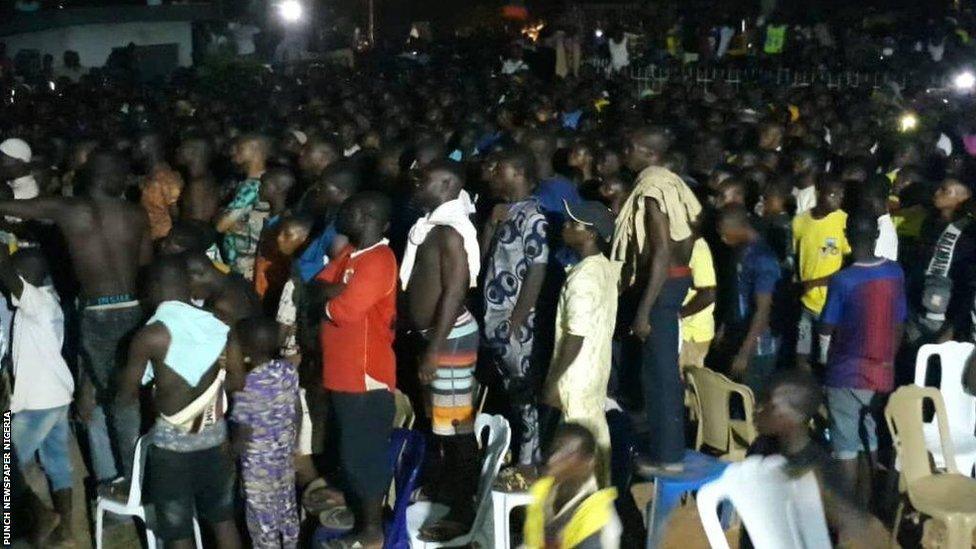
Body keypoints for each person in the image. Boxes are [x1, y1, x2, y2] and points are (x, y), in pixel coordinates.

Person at [0, 150, 152, 484]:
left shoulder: (68, 209)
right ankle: (120, 476)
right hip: (132, 309)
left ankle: (133, 483)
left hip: (96, 314)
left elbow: (12, 208)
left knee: (118, 404)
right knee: (119, 397)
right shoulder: (135, 213)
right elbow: (145, 268)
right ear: (110, 178)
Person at [114, 257, 241, 549]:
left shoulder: (151, 335)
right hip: (216, 440)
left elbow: (126, 395)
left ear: (154, 289)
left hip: (172, 451)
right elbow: (238, 382)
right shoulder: (219, 324)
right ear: (188, 286)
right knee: (223, 522)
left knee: (178, 532)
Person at [612, 126, 702, 473]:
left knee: (661, 374)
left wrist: (644, 310)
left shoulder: (652, 190)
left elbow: (662, 251)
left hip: (661, 285)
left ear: (649, 153)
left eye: (630, 146)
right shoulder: (673, 183)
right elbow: (688, 236)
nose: (625, 153)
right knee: (659, 371)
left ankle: (668, 458)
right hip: (673, 281)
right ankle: (666, 451)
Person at [400, 161, 480, 541]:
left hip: (448, 338)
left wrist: (434, 349)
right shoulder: (431, 227)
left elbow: (454, 292)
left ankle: (465, 510)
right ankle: (450, 489)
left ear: (448, 183)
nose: (416, 184)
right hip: (435, 336)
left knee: (456, 425)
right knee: (441, 419)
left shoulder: (449, 233)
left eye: (425, 179)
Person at [317, 192, 398, 549]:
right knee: (350, 452)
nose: (340, 216)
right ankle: (362, 518)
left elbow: (344, 311)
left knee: (362, 457)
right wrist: (334, 291)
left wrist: (333, 294)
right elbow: (316, 287)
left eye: (346, 211)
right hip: (342, 371)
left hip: (364, 373)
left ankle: (371, 532)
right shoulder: (353, 253)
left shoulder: (378, 259)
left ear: (364, 215)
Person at [819, 212, 906, 505]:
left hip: (845, 370)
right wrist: (889, 359)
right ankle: (869, 506)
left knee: (845, 445)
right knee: (869, 437)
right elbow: (899, 322)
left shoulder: (843, 279)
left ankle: (848, 513)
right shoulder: (895, 272)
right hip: (882, 370)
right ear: (877, 237)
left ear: (846, 235)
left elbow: (826, 326)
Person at [748, 369, 890, 548]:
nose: (758, 408)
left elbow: (864, 531)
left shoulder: (821, 470)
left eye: (770, 404)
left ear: (796, 416)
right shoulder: (761, 447)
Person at [543, 200, 620, 487]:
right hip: (594, 371)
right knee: (595, 443)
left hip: (575, 376)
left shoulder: (584, 277)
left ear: (591, 234)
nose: (566, 226)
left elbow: (575, 335)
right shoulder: (603, 268)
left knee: (576, 458)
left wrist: (553, 381)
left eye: (574, 224)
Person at [2, 247, 75, 547]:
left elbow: (6, 271)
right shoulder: (50, 301)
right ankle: (66, 532)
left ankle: (25, 524)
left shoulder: (35, 302)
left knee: (8, 465)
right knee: (58, 464)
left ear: (24, 276)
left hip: (37, 404)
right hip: (55, 397)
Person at [482, 148, 549, 471]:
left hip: (515, 320)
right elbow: (484, 259)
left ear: (519, 173)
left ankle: (529, 459)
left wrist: (517, 319)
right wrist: (490, 226)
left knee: (524, 391)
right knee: (510, 389)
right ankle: (521, 452)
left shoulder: (534, 216)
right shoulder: (505, 211)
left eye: (501, 169)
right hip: (495, 314)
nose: (494, 174)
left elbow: (537, 270)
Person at [228, 317, 301, 549]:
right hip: (284, 457)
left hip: (258, 469)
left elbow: (243, 433)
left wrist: (229, 455)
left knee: (262, 519)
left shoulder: (246, 386)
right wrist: (293, 443)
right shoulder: (289, 370)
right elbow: (297, 410)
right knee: (287, 507)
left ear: (246, 349)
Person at [523, 423, 621, 549]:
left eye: (567, 454)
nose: (553, 459)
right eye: (555, 449)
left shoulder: (596, 520)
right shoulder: (544, 492)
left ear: (588, 462)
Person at [716, 206, 781, 394]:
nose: (723, 238)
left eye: (724, 233)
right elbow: (737, 294)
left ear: (738, 227)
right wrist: (724, 327)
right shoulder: (740, 251)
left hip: (757, 346)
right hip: (738, 335)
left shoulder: (763, 259)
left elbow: (763, 310)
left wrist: (745, 353)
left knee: (752, 401)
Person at [792, 178, 849, 370]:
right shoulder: (800, 222)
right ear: (818, 194)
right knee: (802, 352)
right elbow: (797, 255)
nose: (838, 199)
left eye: (841, 195)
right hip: (806, 302)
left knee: (826, 359)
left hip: (830, 304)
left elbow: (849, 264)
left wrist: (815, 282)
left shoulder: (843, 220)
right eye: (833, 194)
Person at [217, 134, 271, 280]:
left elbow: (221, 225)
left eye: (241, 149)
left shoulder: (252, 186)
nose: (235, 152)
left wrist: (221, 216)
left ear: (255, 151)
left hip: (244, 263)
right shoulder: (262, 181)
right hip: (247, 260)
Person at [136, 132, 185, 240]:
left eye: (138, 144)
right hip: (152, 234)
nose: (135, 148)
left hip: (163, 236)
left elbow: (175, 212)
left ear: (147, 147)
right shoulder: (154, 172)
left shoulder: (164, 177)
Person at [679, 237, 716, 369]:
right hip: (682, 329)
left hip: (693, 333)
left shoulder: (697, 246)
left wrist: (678, 315)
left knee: (687, 384)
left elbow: (709, 293)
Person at [176, 137, 221, 224]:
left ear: (193, 152)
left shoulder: (198, 185)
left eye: (183, 147)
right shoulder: (207, 177)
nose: (178, 150)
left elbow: (199, 222)